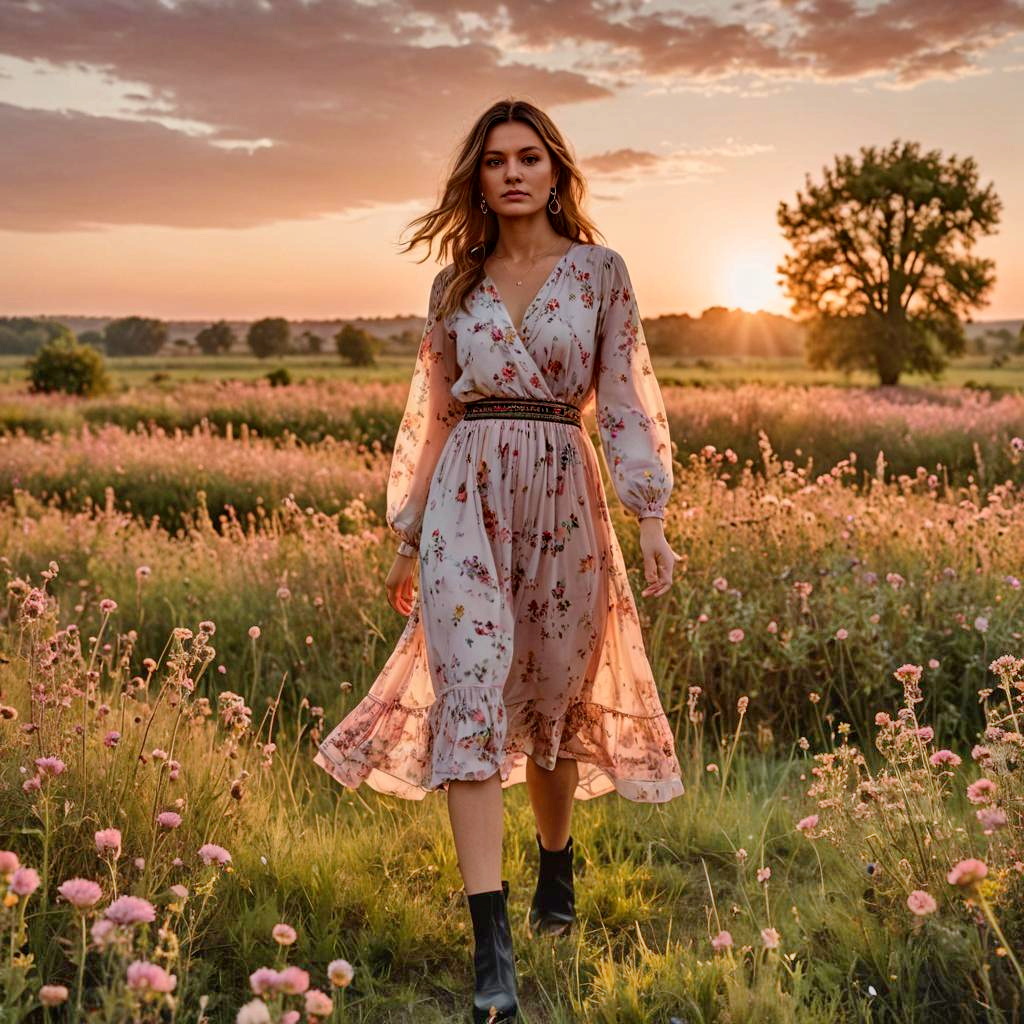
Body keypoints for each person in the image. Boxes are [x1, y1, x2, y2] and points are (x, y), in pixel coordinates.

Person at [315, 97, 684, 1023]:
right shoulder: (454, 287)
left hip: (566, 495)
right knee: (472, 691)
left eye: (528, 157)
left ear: (556, 171)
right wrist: (406, 532)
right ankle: (494, 951)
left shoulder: (600, 273)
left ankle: (555, 865)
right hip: (463, 502)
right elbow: (433, 416)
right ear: (476, 178)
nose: (512, 173)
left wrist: (650, 516)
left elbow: (628, 393)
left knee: (553, 703)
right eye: (494, 161)